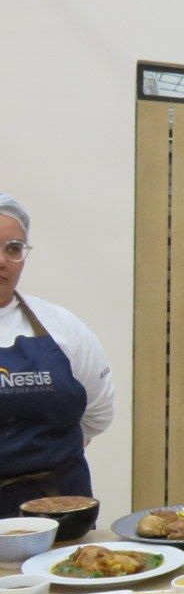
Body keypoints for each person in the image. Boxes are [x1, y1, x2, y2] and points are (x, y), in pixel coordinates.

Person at [0, 194, 115, 516]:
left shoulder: (63, 327)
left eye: (13, 248)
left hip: (59, 514)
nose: (2, 261)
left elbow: (98, 413)